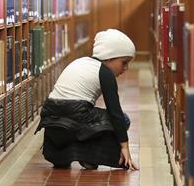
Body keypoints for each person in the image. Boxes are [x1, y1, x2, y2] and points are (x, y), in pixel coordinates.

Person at [35, 29, 139, 170]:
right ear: (109, 57)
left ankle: (66, 153)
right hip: (75, 114)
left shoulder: (80, 62)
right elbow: (115, 113)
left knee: (84, 120)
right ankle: (88, 154)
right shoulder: (105, 73)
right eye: (124, 62)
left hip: (50, 117)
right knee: (123, 120)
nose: (126, 68)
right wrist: (124, 146)